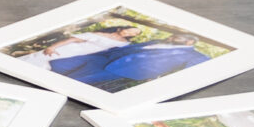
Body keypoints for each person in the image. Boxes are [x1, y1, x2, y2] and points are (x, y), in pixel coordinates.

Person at [30, 24, 208, 91]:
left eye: (176, 37)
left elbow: (194, 73)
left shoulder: (193, 55)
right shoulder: (157, 40)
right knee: (59, 65)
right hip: (102, 57)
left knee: (75, 81)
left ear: (189, 42)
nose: (170, 37)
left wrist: (157, 82)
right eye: (172, 36)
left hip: (122, 70)